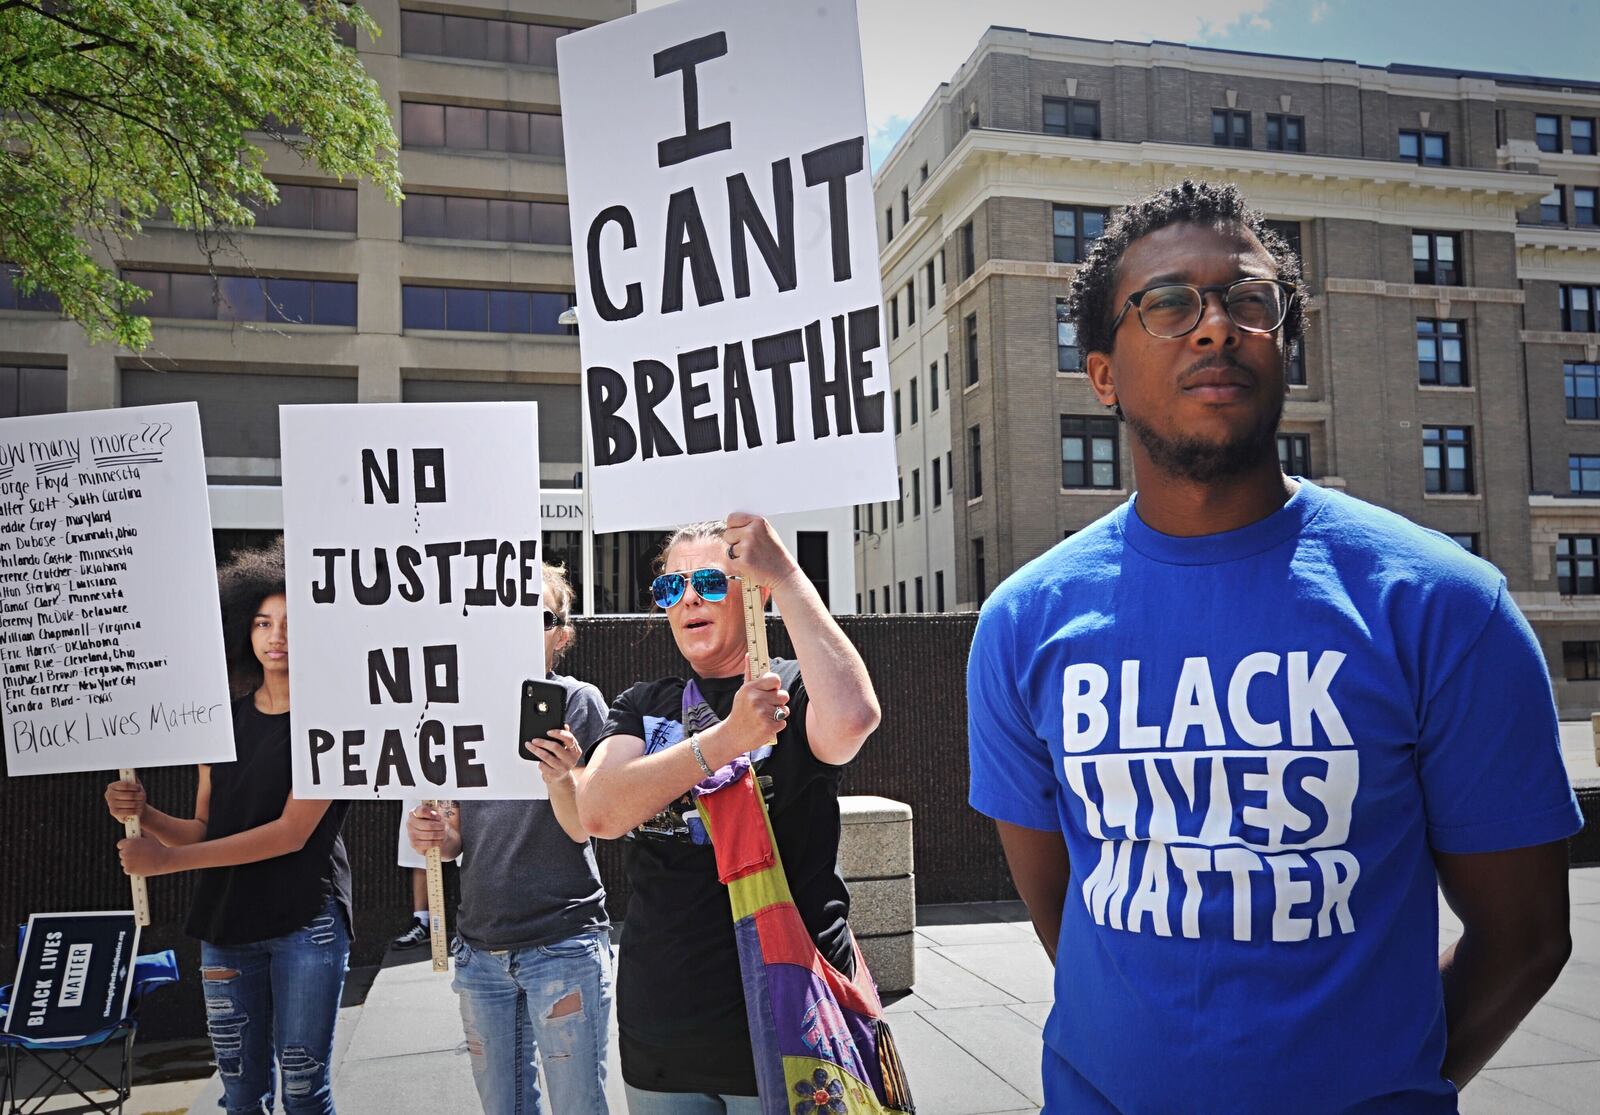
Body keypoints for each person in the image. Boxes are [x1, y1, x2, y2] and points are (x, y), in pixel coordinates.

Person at [966, 179, 1583, 1113]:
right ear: (1102, 375)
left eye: (1248, 300)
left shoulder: (1445, 607)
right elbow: (1074, 913)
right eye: (1168, 304)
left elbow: (1529, 933)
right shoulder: (1022, 624)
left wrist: (1376, 1079)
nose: (1216, 326)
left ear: (1284, 341)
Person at [574, 514, 880, 1113]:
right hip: (663, 1037)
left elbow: (853, 718)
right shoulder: (644, 702)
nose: (688, 598)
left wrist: (786, 574)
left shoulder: (792, 685)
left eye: (711, 583)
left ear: (752, 591)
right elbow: (601, 810)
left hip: (793, 1025)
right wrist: (729, 737)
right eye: (671, 587)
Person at [105, 543, 351, 1115]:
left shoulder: (333, 723)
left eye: (290, 624)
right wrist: (144, 813)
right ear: (245, 629)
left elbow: (290, 833)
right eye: (263, 622)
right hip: (227, 924)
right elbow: (202, 831)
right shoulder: (221, 723)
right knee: (240, 1094)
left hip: (305, 923)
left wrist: (165, 863)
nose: (275, 636)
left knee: (303, 1091)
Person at [407, 562, 613, 1114]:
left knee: (579, 1107)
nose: (522, 629)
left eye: (540, 617)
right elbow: (455, 841)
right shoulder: (459, 709)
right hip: (480, 950)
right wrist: (436, 834)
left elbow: (587, 823)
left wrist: (566, 776)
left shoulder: (578, 702)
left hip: (563, 943)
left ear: (562, 633)